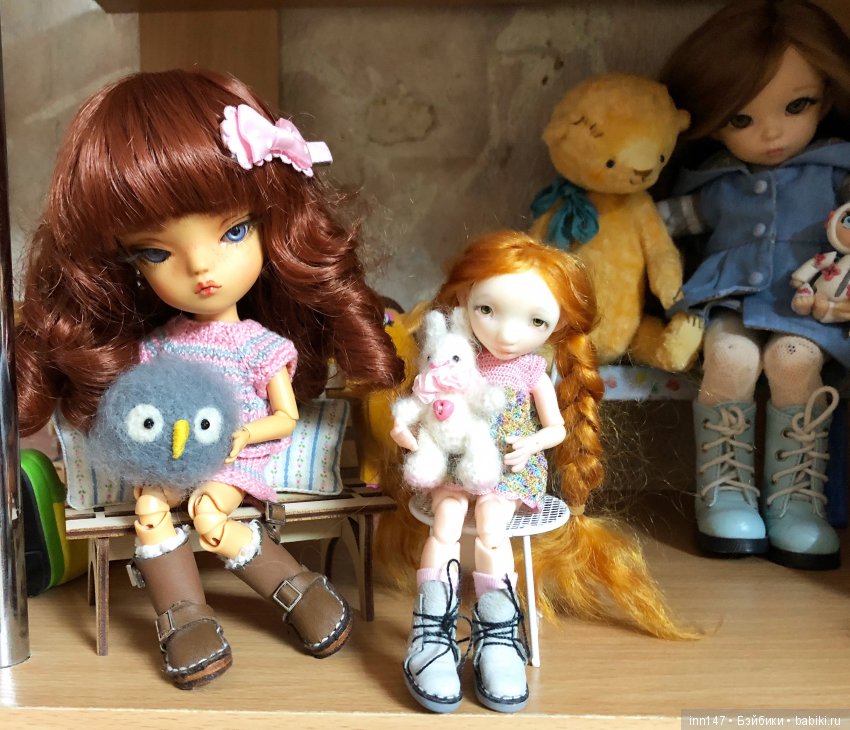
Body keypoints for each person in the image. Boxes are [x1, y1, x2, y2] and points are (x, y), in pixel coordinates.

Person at [15, 69, 404, 688]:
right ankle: (184, 617)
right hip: (171, 459)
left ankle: (298, 589)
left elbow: (285, 418)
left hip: (233, 459)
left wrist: (241, 438)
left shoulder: (261, 347)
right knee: (148, 509)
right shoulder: (158, 346)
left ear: (273, 225)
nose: (201, 267)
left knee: (208, 514)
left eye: (233, 231)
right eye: (156, 252)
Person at [391, 230, 693, 714]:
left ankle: (498, 634)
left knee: (491, 524)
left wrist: (531, 443)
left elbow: (554, 428)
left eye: (534, 321)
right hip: (455, 460)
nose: (508, 334)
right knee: (445, 521)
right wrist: (406, 430)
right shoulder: (454, 353)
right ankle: (431, 630)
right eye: (488, 310)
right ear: (464, 299)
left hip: (510, 470)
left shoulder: (532, 371)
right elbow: (423, 405)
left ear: (558, 325)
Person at [657, 0, 850, 569]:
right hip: (730, 297)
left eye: (797, 105)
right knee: (730, 357)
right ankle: (726, 491)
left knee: (794, 360)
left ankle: (797, 498)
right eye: (739, 119)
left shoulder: (836, 171)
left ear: (827, 96)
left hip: (807, 306)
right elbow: (666, 222)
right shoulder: (719, 182)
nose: (771, 133)